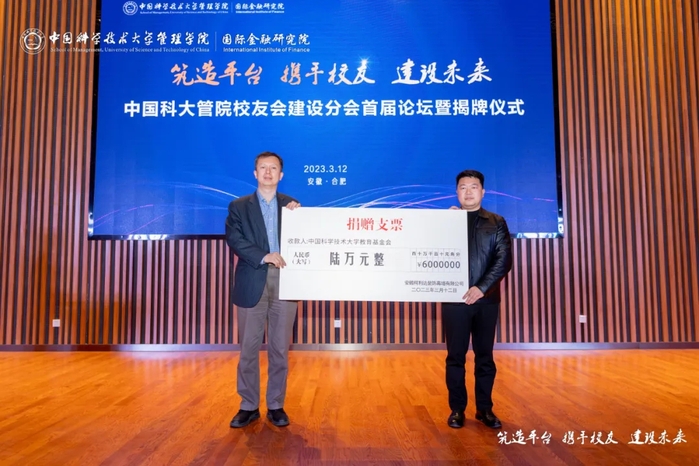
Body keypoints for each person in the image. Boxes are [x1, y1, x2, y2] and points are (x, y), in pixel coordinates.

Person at [225, 151, 301, 428]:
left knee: (280, 349)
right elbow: (234, 239)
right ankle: (248, 406)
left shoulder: (293, 207)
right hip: (252, 278)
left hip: (285, 281)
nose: (268, 172)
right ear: (255, 173)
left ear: (281, 175)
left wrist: (301, 219)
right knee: (249, 348)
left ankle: (276, 405)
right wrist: (264, 255)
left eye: (274, 168)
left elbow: (307, 240)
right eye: (263, 167)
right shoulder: (239, 206)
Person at [443, 169, 512, 429]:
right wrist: (443, 225)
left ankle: (485, 409)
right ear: (456, 192)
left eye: (473, 187)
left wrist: (481, 288)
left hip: (486, 300)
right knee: (455, 357)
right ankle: (457, 409)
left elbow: (503, 260)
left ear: (483, 192)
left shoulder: (496, 222)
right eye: (463, 187)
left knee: (485, 356)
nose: (468, 191)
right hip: (454, 301)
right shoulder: (446, 221)